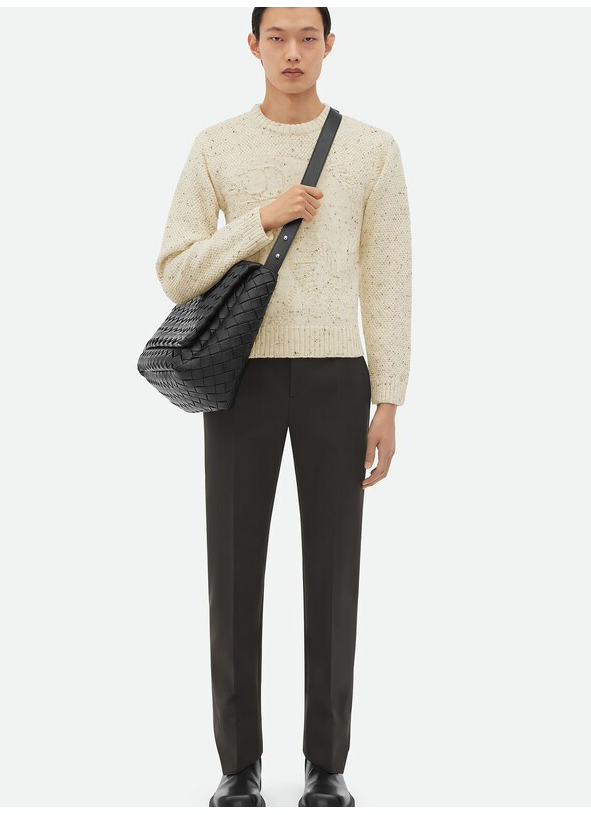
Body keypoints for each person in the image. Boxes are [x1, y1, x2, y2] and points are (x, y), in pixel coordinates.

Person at [154, 6, 412, 807]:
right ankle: (239, 766)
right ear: (253, 45)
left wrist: (389, 397)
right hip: (241, 378)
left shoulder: (371, 149)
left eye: (307, 38)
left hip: (338, 376)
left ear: (330, 45)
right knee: (233, 567)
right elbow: (174, 269)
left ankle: (327, 765)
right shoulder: (217, 146)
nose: (292, 52)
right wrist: (260, 221)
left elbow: (388, 279)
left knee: (334, 569)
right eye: (277, 37)